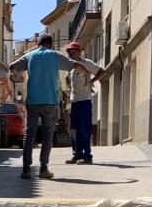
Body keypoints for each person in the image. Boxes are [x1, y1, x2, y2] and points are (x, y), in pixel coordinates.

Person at [9, 34, 91, 180]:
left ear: (39, 44)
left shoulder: (29, 55)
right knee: (47, 137)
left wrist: (15, 77)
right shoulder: (54, 55)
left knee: (29, 135)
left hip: (32, 102)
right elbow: (75, 65)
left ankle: (26, 170)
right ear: (50, 45)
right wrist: (86, 74)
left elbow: (12, 67)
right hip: (50, 101)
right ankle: (43, 169)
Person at [63, 41, 104, 164]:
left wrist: (92, 81)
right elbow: (69, 80)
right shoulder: (71, 66)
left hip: (85, 101)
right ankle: (76, 155)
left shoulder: (87, 63)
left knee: (84, 129)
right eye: (70, 54)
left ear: (80, 52)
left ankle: (87, 156)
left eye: (74, 53)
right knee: (74, 130)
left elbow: (102, 71)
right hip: (74, 102)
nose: (72, 55)